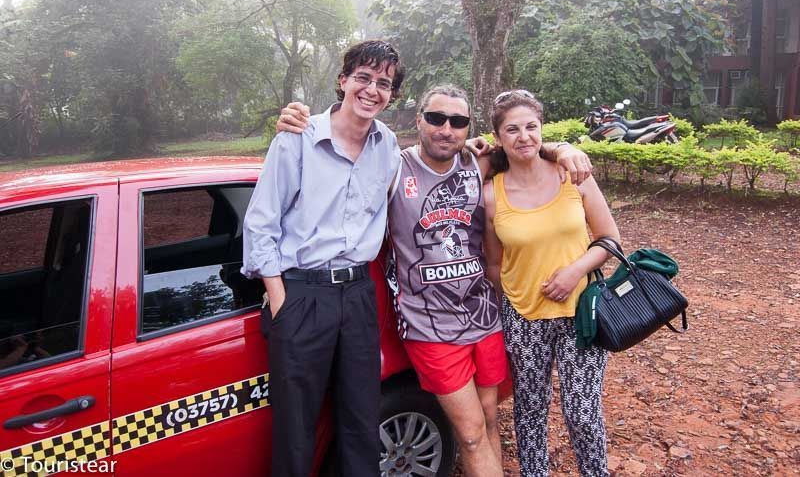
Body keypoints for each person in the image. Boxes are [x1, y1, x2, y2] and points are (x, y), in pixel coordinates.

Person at [275, 83, 594, 476]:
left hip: (485, 319)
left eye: (458, 121)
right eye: (436, 118)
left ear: (468, 128)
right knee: (472, 433)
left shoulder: (478, 164)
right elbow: (339, 160)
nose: (447, 128)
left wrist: (563, 149)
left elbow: (524, 141)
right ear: (418, 120)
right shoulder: (393, 166)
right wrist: (300, 130)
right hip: (429, 326)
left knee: (490, 421)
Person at [241, 40, 404, 476]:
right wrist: (280, 300)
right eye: (364, 78)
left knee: (361, 421)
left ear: (391, 94)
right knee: (296, 428)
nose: (372, 89)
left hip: (357, 295)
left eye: (383, 83)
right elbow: (261, 224)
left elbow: (434, 167)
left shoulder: (387, 146)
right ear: (343, 80)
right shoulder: (298, 138)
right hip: (301, 294)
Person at [483, 90, 621, 477]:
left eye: (531, 127)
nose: (523, 136)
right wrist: (508, 307)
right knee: (529, 409)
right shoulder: (491, 194)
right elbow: (494, 263)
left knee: (581, 412)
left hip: (582, 313)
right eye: (512, 129)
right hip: (523, 316)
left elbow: (610, 239)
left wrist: (575, 271)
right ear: (499, 137)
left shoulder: (572, 175)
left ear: (543, 130)